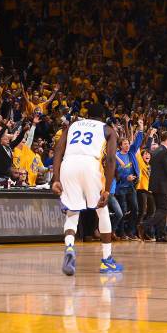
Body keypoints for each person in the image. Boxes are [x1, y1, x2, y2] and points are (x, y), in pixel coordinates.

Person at [52, 103, 122, 276]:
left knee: (72, 213)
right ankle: (107, 261)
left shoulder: (73, 125)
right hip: (90, 164)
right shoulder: (108, 130)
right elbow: (112, 160)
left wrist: (55, 179)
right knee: (102, 211)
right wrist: (107, 189)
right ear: (104, 117)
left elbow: (58, 150)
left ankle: (69, 246)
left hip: (68, 164)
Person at [138, 131, 167, 242]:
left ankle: (161, 234)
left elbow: (158, 166)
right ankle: (144, 225)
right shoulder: (165, 152)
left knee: (162, 209)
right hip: (163, 185)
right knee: (164, 209)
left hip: (155, 185)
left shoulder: (156, 151)